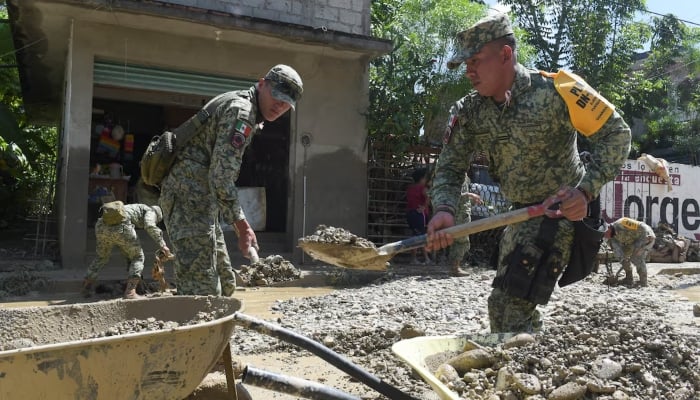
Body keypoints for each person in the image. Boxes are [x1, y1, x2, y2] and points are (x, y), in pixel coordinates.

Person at [425, 13, 631, 333]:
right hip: (518, 214)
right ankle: (524, 364)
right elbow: (450, 168)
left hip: (562, 210)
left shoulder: (559, 91)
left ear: (505, 54)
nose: (469, 71)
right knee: (501, 304)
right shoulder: (470, 112)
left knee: (516, 302)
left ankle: (527, 372)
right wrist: (445, 209)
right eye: (466, 63)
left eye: (477, 60)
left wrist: (586, 190)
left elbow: (617, 133)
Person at [159, 64, 303, 296]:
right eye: (276, 96)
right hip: (189, 200)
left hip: (201, 201)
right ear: (262, 83)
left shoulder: (245, 107)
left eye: (286, 103)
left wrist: (238, 226)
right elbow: (220, 176)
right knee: (202, 291)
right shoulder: (242, 112)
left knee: (226, 283)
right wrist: (242, 226)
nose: (280, 105)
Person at [82, 202, 171, 299]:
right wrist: (163, 245)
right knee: (138, 257)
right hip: (122, 229)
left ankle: (86, 287)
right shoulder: (151, 211)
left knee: (101, 257)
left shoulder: (131, 208)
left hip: (101, 227)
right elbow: (150, 226)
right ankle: (130, 292)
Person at [446, 175, 482, 276]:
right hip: (460, 213)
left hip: (462, 212)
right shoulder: (458, 175)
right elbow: (457, 194)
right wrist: (471, 195)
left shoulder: (463, 175)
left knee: (459, 240)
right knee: (461, 240)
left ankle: (455, 266)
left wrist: (471, 199)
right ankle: (455, 268)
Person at [605, 217, 656, 287]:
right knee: (623, 258)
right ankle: (629, 278)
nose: (605, 236)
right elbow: (618, 251)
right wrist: (624, 260)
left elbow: (641, 226)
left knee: (637, 258)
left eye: (605, 233)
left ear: (609, 228)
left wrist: (648, 235)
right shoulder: (611, 239)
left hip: (644, 236)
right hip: (630, 243)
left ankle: (643, 281)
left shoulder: (622, 222)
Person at [406, 167, 432, 265]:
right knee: (421, 236)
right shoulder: (423, 188)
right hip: (419, 214)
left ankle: (419, 258)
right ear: (422, 178)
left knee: (415, 235)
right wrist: (424, 207)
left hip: (410, 214)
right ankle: (424, 258)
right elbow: (428, 197)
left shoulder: (410, 188)